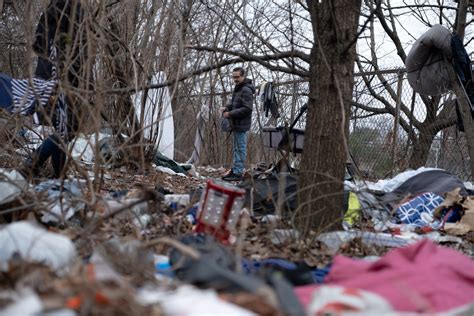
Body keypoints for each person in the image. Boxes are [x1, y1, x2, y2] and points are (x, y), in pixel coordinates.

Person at [24, 0, 89, 179]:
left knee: (62, 126)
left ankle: (59, 175)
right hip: (65, 77)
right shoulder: (74, 8)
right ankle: (33, 161)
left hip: (46, 76)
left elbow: (37, 45)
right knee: (69, 127)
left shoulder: (51, 8)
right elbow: (79, 49)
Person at [221, 67, 255, 181]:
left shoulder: (246, 90)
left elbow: (247, 108)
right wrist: (226, 107)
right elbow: (234, 103)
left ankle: (238, 173)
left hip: (242, 124)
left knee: (240, 148)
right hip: (236, 123)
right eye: (233, 77)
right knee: (236, 148)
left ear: (243, 76)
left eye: (237, 77)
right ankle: (235, 170)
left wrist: (230, 113)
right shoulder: (238, 88)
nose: (235, 79)